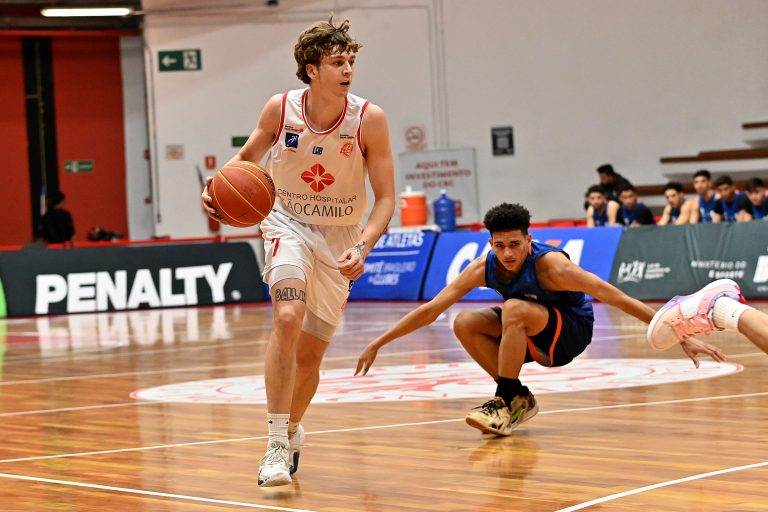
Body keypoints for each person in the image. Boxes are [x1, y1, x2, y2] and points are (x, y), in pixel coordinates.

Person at [201, 17, 395, 487]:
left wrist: (363, 246)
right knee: (287, 317)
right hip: (286, 222)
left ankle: (290, 432)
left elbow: (386, 198)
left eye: (351, 61)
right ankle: (272, 443)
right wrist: (217, 188)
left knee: (310, 358)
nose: (347, 70)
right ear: (311, 69)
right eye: (337, 62)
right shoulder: (281, 108)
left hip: (342, 236)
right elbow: (244, 162)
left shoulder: (369, 119)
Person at [355, 203, 725, 437]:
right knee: (464, 322)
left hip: (571, 333)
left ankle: (503, 401)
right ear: (491, 244)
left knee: (514, 309)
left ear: (529, 240)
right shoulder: (484, 267)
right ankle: (519, 397)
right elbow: (433, 308)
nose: (507, 253)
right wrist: (379, 342)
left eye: (514, 244)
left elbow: (617, 297)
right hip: (531, 331)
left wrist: (681, 334)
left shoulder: (552, 266)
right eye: (499, 245)